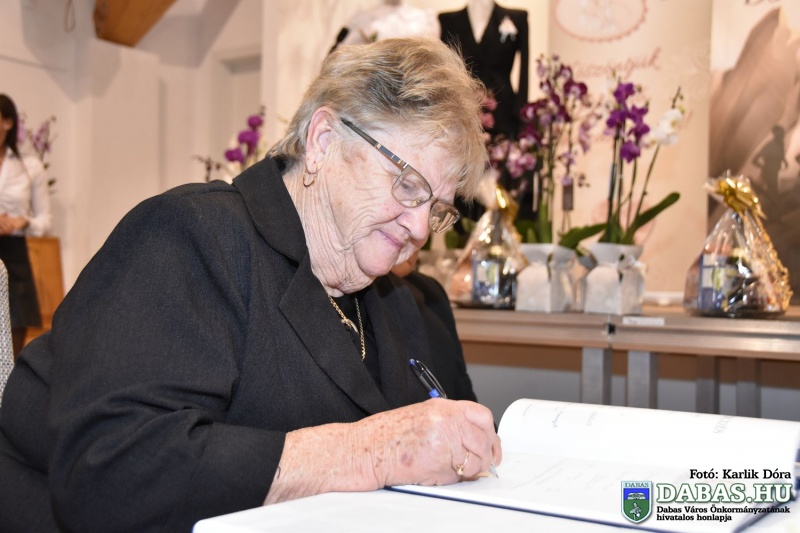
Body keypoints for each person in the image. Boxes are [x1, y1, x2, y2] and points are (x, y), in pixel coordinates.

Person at [0, 38, 500, 532]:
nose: (419, 228)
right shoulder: (190, 235)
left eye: (437, 209)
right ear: (324, 140)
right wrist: (369, 452)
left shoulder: (393, 301)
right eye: (407, 185)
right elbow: (112, 470)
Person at [0, 94, 52, 356]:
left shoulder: (30, 166)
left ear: (7, 122)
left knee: (14, 331)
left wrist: (24, 221)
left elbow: (45, 220)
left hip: (14, 254)